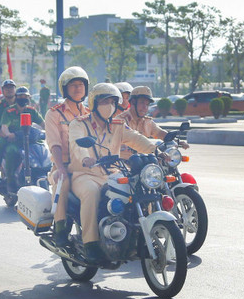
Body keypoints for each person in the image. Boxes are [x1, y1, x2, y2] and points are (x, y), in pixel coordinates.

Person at [67, 83, 156, 263]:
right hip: (85, 175)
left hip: (111, 173)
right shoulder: (79, 124)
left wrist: (157, 151)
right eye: (105, 101)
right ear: (94, 103)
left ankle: (137, 236)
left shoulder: (117, 125)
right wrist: (86, 158)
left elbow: (137, 139)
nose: (109, 106)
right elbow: (77, 145)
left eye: (113, 102)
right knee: (91, 193)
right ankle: (90, 243)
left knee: (139, 188)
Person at [44, 66, 89, 238]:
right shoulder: (54, 114)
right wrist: (60, 167)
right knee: (63, 184)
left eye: (81, 85)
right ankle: (60, 228)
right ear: (65, 89)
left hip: (86, 165)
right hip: (64, 165)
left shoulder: (91, 114)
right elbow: (54, 143)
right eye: (73, 85)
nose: (78, 88)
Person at [0, 86, 45, 185]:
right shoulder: (9, 111)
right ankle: (10, 181)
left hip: (30, 141)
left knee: (43, 150)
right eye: (20, 96)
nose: (23, 98)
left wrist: (51, 131)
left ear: (28, 98)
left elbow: (44, 124)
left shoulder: (32, 111)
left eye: (25, 96)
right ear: (16, 97)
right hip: (15, 141)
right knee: (11, 152)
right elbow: (4, 127)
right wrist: (8, 135)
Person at [119, 86, 169, 158]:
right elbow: (135, 139)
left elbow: (160, 133)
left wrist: (176, 140)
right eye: (142, 103)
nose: (145, 107)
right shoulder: (121, 121)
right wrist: (155, 151)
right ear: (133, 102)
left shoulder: (146, 122)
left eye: (147, 104)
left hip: (144, 162)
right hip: (123, 165)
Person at [0, 79, 18, 189]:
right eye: (7, 88)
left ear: (15, 89)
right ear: (3, 91)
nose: (9, 90)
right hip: (3, 136)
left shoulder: (21, 103)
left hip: (20, 135)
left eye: (11, 87)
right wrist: (6, 136)